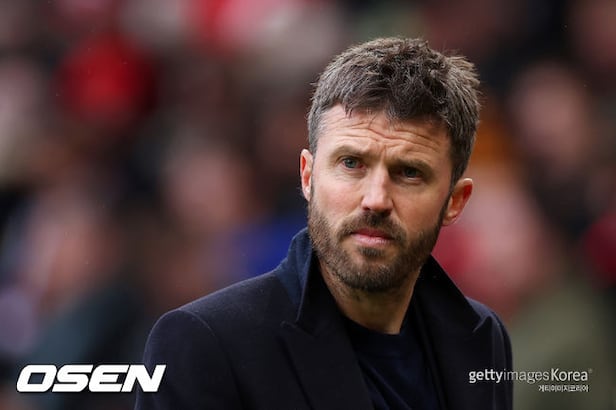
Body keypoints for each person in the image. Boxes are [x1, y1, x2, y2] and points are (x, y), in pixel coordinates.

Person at [135, 37, 513, 410]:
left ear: (454, 202)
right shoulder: (206, 344)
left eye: (409, 173)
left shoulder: (483, 337)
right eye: (351, 163)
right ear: (308, 176)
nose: (376, 199)